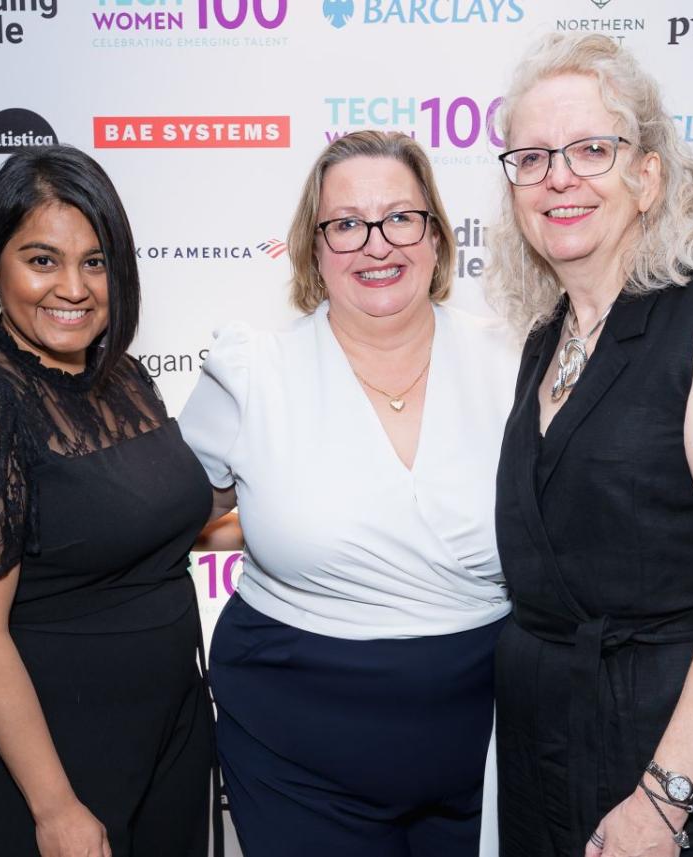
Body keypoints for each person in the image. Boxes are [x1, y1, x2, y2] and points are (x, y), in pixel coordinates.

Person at [486, 34, 693, 857]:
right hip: (539, 740)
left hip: (670, 748)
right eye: (532, 157)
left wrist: (664, 799)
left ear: (649, 175)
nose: (559, 176)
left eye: (592, 149)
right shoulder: (545, 337)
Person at [178, 130, 518, 857]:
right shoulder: (252, 373)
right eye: (346, 224)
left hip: (492, 740)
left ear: (435, 236)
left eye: (400, 217)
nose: (376, 243)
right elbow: (172, 517)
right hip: (295, 747)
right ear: (314, 247)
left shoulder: (518, 359)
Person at [0, 146, 215, 857]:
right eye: (43, 260)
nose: (74, 287)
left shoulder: (123, 377)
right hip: (59, 755)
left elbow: (150, 526)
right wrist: (55, 806)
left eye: (95, 261)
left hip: (172, 728)